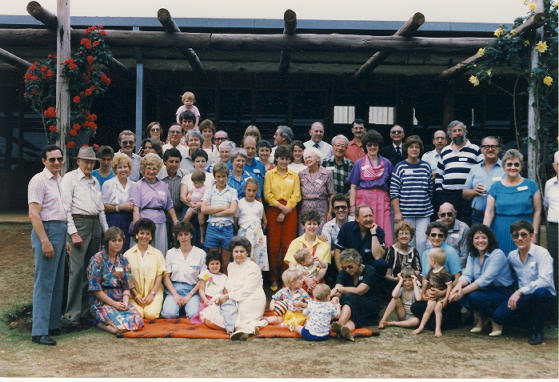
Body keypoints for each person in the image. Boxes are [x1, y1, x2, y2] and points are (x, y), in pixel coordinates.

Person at [61, 146, 109, 327]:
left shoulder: (95, 181)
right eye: (86, 161)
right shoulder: (70, 178)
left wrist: (107, 232)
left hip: (94, 224)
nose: (89, 165)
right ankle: (72, 315)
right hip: (78, 224)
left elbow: (101, 210)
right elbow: (65, 208)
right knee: (77, 270)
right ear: (78, 161)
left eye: (92, 162)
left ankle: (86, 311)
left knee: (91, 271)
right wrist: (73, 233)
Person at [493, 220, 557, 345]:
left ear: (532, 236)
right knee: (498, 316)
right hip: (525, 297)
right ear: (512, 238)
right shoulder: (512, 256)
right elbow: (506, 276)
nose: (520, 238)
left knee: (541, 293)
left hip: (545, 296)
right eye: (516, 236)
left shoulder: (542, 254)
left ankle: (537, 331)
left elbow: (545, 280)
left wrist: (520, 291)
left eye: (524, 235)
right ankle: (531, 323)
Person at [28, 145, 68, 345]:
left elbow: (62, 211)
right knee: (44, 282)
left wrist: (66, 239)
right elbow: (34, 213)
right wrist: (44, 240)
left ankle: (53, 324)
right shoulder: (39, 180)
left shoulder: (60, 180)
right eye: (52, 159)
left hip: (60, 230)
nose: (57, 163)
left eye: (59, 159)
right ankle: (39, 331)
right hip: (47, 230)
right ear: (44, 161)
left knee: (57, 281)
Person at [449, 224, 514, 337]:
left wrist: (461, 292)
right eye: (476, 238)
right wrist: (458, 286)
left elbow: (484, 280)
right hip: (485, 290)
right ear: (472, 241)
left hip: (502, 291)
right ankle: (481, 320)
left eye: (484, 237)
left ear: (489, 239)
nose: (480, 241)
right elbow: (468, 275)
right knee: (465, 293)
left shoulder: (497, 254)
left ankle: (496, 323)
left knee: (472, 295)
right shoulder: (472, 255)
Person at [203, 237, 268, 340]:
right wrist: (224, 297)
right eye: (236, 251)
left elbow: (248, 290)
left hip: (252, 299)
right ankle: (248, 327)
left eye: (242, 251)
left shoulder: (252, 267)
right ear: (232, 253)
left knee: (234, 315)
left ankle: (241, 328)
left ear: (247, 253)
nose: (238, 254)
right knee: (210, 315)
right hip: (234, 298)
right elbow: (229, 286)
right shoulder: (231, 266)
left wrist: (228, 297)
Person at [86, 227, 143, 336]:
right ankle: (101, 324)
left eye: (119, 240)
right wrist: (114, 304)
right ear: (107, 242)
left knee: (138, 320)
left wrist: (125, 302)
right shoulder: (97, 259)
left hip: (120, 298)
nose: (117, 243)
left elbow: (127, 286)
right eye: (113, 241)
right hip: (102, 301)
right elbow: (95, 289)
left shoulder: (123, 260)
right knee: (119, 325)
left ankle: (115, 326)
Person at [483, 149, 541, 255]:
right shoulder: (495, 187)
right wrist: (484, 234)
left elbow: (537, 211)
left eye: (516, 164)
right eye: (509, 164)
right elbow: (489, 212)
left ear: (521, 166)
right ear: (504, 166)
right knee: (501, 264)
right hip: (501, 231)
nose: (513, 167)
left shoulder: (531, 185)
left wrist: (535, 234)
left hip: (525, 232)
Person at [410, 221, 462, 330]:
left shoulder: (451, 252)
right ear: (428, 236)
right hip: (431, 296)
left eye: (440, 235)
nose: (436, 238)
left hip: (446, 297)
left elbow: (458, 278)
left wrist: (441, 293)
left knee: (434, 323)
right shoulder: (425, 254)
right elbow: (425, 278)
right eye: (433, 234)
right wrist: (425, 293)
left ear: (444, 237)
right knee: (415, 307)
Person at [264, 145, 301, 291]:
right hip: (273, 210)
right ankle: (273, 279)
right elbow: (268, 195)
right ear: (276, 159)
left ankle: (288, 280)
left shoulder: (294, 175)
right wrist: (281, 208)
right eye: (281, 158)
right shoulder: (269, 174)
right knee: (273, 247)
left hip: (290, 211)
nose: (284, 161)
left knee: (288, 246)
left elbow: (297, 195)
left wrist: (286, 210)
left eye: (286, 159)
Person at [348, 129, 394, 246]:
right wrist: (353, 208)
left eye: (375, 145)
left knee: (384, 229)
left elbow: (392, 186)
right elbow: (353, 187)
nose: (372, 147)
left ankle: (383, 258)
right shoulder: (359, 163)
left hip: (381, 200)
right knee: (363, 228)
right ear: (365, 146)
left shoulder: (387, 163)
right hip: (364, 199)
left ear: (379, 146)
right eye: (369, 145)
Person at [390, 135, 433, 254]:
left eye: (417, 147)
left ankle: (421, 270)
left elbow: (430, 190)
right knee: (407, 242)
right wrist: (397, 212)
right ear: (406, 149)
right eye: (411, 147)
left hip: (423, 213)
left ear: (420, 149)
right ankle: (407, 269)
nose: (414, 149)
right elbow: (394, 192)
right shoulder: (400, 167)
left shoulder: (426, 166)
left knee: (422, 242)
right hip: (405, 213)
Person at [129, 153, 179, 256]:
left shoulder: (164, 185)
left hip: (160, 223)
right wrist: (137, 227)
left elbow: (170, 206)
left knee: (159, 253)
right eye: (149, 168)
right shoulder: (138, 185)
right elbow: (136, 208)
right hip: (144, 223)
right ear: (143, 168)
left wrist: (176, 222)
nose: (151, 171)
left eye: (154, 168)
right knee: (142, 251)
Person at [435, 120, 482, 226]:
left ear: (465, 132)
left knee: (467, 224)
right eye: (454, 131)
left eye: (460, 130)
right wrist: (440, 195)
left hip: (467, 195)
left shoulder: (475, 149)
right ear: (450, 134)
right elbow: (439, 175)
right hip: (448, 195)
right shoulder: (445, 151)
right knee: (448, 225)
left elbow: (482, 170)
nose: (457, 133)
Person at [330, 249, 382, 341]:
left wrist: (339, 289)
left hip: (368, 305)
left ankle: (340, 324)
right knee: (348, 301)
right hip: (351, 306)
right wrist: (335, 298)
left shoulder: (369, 271)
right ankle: (343, 330)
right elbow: (337, 289)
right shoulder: (344, 272)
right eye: (344, 267)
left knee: (350, 296)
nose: (347, 270)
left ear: (358, 263)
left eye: (350, 267)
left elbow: (360, 291)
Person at [161, 222, 207, 319]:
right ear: (177, 237)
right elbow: (166, 278)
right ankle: (176, 305)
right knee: (169, 314)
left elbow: (203, 278)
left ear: (191, 235)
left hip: (193, 290)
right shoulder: (171, 253)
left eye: (186, 234)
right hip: (175, 289)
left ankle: (186, 306)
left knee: (193, 315)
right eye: (180, 235)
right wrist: (175, 295)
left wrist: (189, 295)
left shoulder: (201, 253)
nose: (183, 237)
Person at [124, 218, 166, 319]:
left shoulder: (157, 254)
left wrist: (152, 294)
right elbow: (127, 278)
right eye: (142, 233)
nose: (144, 236)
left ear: (151, 236)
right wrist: (136, 295)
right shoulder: (127, 255)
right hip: (134, 295)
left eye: (148, 234)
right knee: (138, 314)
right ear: (137, 235)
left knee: (151, 315)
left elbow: (159, 276)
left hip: (154, 292)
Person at [201, 162, 238, 273]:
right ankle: (213, 287)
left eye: (223, 176)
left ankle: (225, 287)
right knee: (213, 261)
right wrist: (224, 207)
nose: (221, 179)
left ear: (227, 176)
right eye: (218, 176)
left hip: (227, 228)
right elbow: (204, 209)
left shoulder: (232, 191)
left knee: (226, 262)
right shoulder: (209, 191)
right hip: (213, 228)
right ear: (215, 177)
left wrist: (215, 213)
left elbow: (232, 210)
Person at [462, 136, 505, 225]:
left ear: (499, 149)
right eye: (486, 147)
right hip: (478, 216)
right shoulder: (474, 169)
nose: (490, 149)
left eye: (493, 146)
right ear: (481, 150)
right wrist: (474, 191)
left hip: (500, 216)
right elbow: (464, 193)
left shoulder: (507, 168)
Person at [284, 210, 331, 291]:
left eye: (315, 224)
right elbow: (292, 266)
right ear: (303, 226)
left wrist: (314, 281)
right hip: (297, 279)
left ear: (318, 226)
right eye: (309, 224)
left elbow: (324, 268)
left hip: (316, 281)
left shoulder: (324, 245)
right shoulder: (295, 242)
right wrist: (305, 279)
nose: (312, 227)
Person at [334, 205, 386, 277]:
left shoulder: (378, 231)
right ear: (357, 218)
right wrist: (341, 272)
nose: (368, 219)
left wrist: (373, 234)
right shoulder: (347, 228)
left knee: (381, 264)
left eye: (370, 216)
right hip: (349, 266)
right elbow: (337, 250)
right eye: (365, 216)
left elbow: (378, 256)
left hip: (368, 268)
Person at [412, 248, 453, 337]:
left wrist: (446, 299)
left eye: (429, 260)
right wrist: (424, 292)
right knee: (428, 309)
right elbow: (425, 281)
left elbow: (450, 286)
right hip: (433, 295)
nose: (428, 261)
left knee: (437, 309)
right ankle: (421, 327)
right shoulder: (432, 270)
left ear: (433, 261)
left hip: (441, 296)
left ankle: (437, 329)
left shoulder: (444, 272)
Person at [102, 153, 135, 252]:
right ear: (115, 169)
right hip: (113, 219)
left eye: (125, 167)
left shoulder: (134, 185)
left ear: (129, 168)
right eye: (119, 167)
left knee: (126, 248)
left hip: (128, 220)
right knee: (113, 249)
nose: (123, 170)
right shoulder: (108, 184)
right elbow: (103, 206)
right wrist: (120, 207)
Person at [298, 147, 334, 234]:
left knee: (320, 234)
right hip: (305, 208)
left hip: (321, 208)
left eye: (309, 157)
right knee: (304, 234)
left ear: (318, 158)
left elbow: (332, 194)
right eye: (305, 158)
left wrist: (330, 212)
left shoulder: (327, 173)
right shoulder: (301, 174)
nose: (307, 159)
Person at [235, 178, 268, 271]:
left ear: (257, 191)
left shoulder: (259, 205)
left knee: (257, 257)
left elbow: (262, 219)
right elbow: (236, 220)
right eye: (249, 190)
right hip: (244, 232)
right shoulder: (240, 203)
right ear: (245, 190)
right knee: (244, 255)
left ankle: (256, 277)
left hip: (257, 234)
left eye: (254, 191)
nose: (251, 193)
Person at [158, 148, 187, 246]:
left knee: (178, 243)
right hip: (163, 213)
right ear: (165, 162)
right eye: (171, 161)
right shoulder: (158, 175)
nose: (174, 164)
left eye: (177, 162)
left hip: (180, 213)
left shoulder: (185, 175)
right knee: (163, 243)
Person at [430, 202, 469, 266]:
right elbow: (430, 251)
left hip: (457, 267)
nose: (446, 217)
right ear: (438, 215)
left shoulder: (464, 229)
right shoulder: (434, 227)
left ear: (455, 214)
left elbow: (464, 257)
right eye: (443, 215)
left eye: (449, 214)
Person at [384, 220, 421, 284]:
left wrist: (408, 278)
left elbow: (417, 271)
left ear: (411, 236)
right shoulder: (390, 251)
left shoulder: (414, 251)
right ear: (397, 236)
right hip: (394, 283)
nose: (404, 236)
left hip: (410, 283)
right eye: (401, 233)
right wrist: (397, 279)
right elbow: (387, 275)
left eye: (406, 233)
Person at [196, 251, 228, 323]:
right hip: (207, 299)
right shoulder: (206, 274)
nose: (214, 266)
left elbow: (225, 293)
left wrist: (221, 300)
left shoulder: (224, 277)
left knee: (220, 315)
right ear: (208, 265)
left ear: (220, 264)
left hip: (219, 300)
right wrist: (205, 300)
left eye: (217, 263)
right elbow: (201, 289)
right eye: (212, 264)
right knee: (205, 316)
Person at [543, 151, 559, 290]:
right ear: (554, 166)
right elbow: (547, 206)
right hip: (554, 229)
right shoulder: (549, 184)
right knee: (555, 261)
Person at [182, 170, 207, 242]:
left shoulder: (204, 189)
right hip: (192, 206)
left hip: (200, 207)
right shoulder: (194, 187)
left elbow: (206, 199)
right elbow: (190, 193)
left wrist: (201, 204)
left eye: (196, 183)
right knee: (187, 215)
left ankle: (202, 236)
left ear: (202, 182)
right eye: (193, 182)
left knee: (201, 221)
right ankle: (181, 227)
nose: (194, 184)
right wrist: (188, 197)